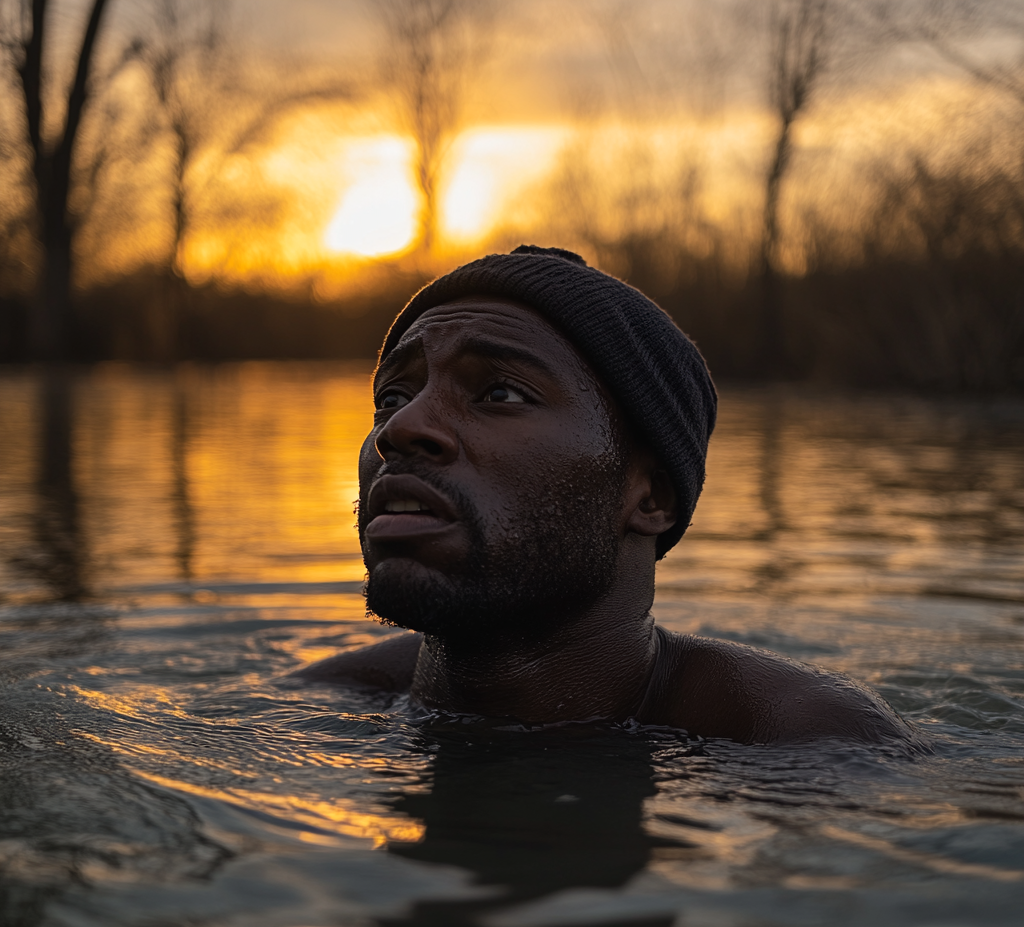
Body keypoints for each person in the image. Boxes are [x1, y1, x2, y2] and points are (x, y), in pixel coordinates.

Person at [297, 245, 912, 746]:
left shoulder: (801, 740)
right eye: (392, 399)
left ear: (651, 496)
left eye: (501, 394)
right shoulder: (321, 704)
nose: (398, 431)